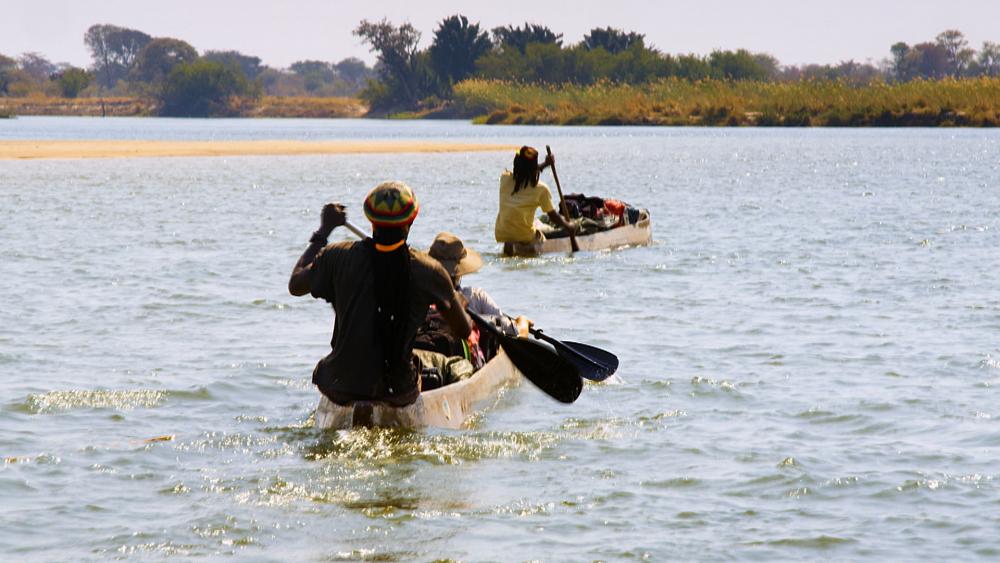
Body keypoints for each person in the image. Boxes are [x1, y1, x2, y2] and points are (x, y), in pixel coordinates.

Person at [288, 181, 472, 406]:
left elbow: (295, 284)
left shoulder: (335, 256)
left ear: (370, 220)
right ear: (411, 220)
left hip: (338, 385)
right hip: (397, 393)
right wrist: (456, 303)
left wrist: (323, 231)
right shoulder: (430, 271)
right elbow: (463, 330)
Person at [426, 232, 530, 338]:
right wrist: (523, 322)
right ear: (458, 273)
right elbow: (514, 333)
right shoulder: (475, 296)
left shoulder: (419, 296)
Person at [494, 145, 576, 256]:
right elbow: (553, 216)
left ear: (516, 165)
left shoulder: (504, 179)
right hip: (524, 236)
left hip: (502, 234)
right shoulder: (541, 189)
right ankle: (524, 246)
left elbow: (525, 169)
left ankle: (511, 245)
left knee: (535, 223)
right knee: (542, 237)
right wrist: (568, 226)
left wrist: (545, 164)